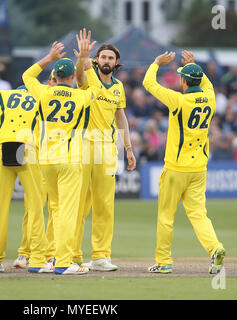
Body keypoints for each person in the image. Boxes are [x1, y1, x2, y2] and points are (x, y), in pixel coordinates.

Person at [22, 36, 101, 275]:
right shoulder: (79, 96)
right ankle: (63, 263)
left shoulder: (45, 93)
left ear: (55, 77)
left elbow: (26, 77)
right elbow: (96, 88)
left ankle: (44, 260)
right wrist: (85, 61)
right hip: (69, 160)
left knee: (53, 210)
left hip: (46, 160)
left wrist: (49, 57)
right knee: (67, 213)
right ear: (72, 78)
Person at [143, 50, 226, 274]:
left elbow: (148, 83)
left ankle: (163, 262)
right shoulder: (210, 97)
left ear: (183, 81)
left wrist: (156, 62)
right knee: (199, 214)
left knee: (166, 216)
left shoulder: (178, 100)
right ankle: (215, 248)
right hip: (199, 168)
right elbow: (207, 85)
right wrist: (194, 65)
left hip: (176, 169)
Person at [72, 29, 136, 272]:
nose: (106, 61)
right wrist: (82, 58)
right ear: (96, 60)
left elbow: (121, 119)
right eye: (103, 57)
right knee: (79, 203)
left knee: (105, 205)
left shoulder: (118, 87)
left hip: (109, 148)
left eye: (111, 58)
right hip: (84, 143)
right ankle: (73, 254)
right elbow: (78, 75)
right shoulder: (88, 77)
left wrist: (128, 148)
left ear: (116, 63)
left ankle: (100, 256)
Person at [0, 84, 53, 273]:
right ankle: (37, 260)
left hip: (1, 148)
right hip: (27, 147)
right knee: (35, 205)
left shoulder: (1, 96)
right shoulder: (38, 98)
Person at [13, 69, 58, 270]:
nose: (58, 83)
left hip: (54, 157)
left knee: (52, 208)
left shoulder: (64, 97)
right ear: (50, 80)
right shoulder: (37, 93)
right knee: (35, 206)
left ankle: (48, 253)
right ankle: (26, 253)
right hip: (35, 154)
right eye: (55, 79)